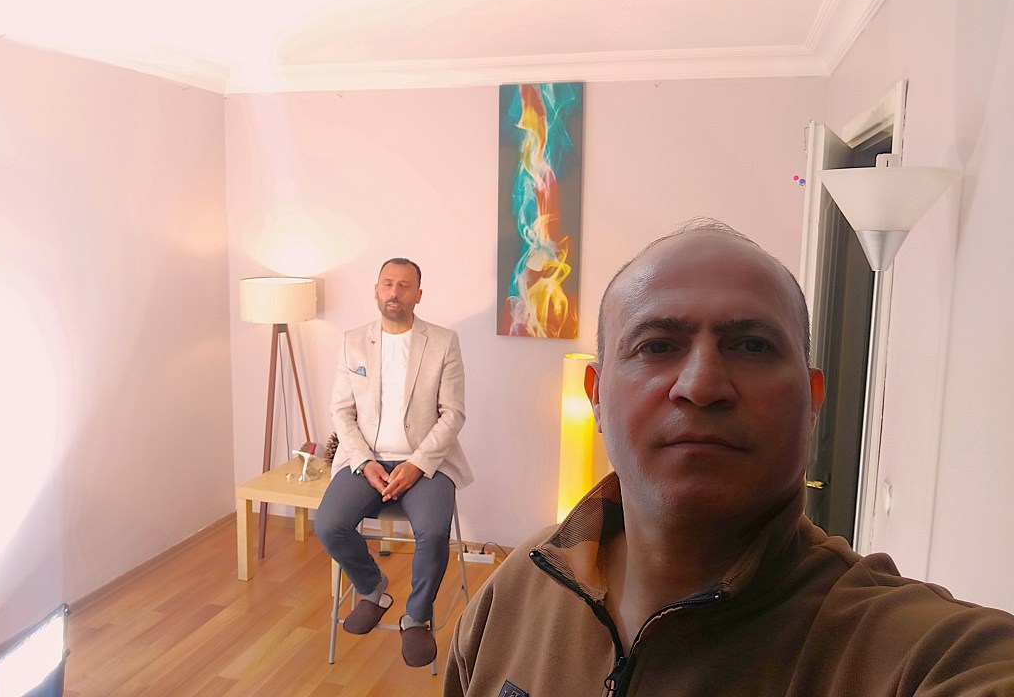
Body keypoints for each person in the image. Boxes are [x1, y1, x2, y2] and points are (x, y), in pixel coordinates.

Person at [445, 220, 1014, 696]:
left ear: (812, 401)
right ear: (596, 395)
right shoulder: (516, 590)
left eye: (752, 346)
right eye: (657, 345)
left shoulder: (921, 655)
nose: (701, 385)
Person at [315, 257, 472, 668]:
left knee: (433, 533)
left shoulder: (443, 342)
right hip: (365, 459)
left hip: (427, 462)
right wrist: (364, 461)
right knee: (328, 524)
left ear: (418, 295)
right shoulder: (353, 341)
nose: (395, 292)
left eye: (404, 286)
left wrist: (417, 464)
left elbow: (453, 414)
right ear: (376, 290)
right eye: (388, 283)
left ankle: (416, 617)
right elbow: (341, 411)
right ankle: (373, 589)